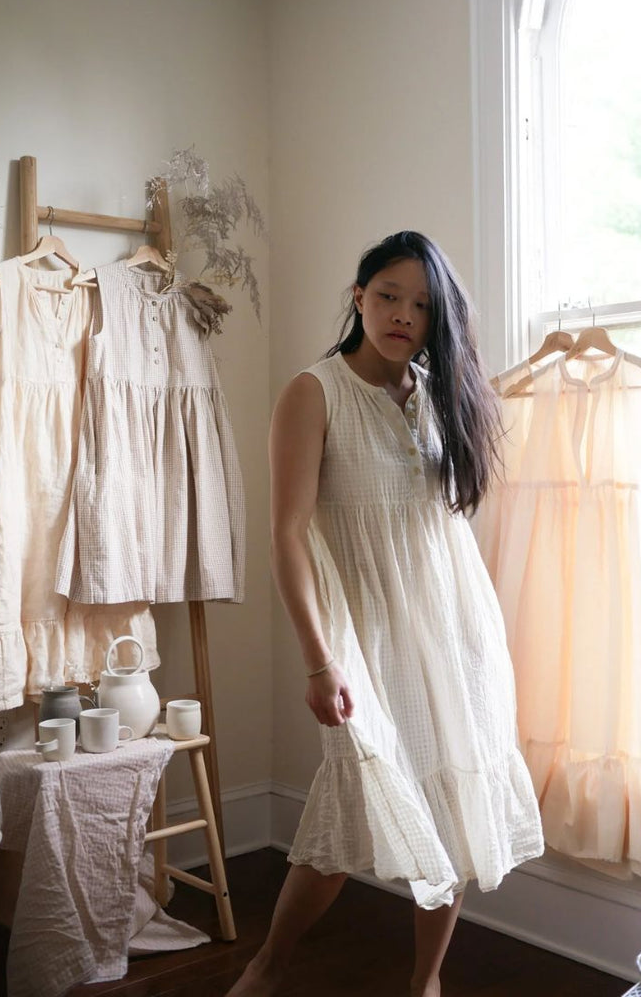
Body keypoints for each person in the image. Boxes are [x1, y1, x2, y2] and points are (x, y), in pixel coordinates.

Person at [227, 231, 544, 997]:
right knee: (346, 812)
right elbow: (288, 534)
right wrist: (316, 657)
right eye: (390, 295)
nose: (404, 315)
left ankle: (425, 981)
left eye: (423, 306)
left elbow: (443, 528)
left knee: (458, 810)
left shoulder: (441, 393)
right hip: (363, 640)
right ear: (359, 295)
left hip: (454, 631)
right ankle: (270, 966)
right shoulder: (316, 391)